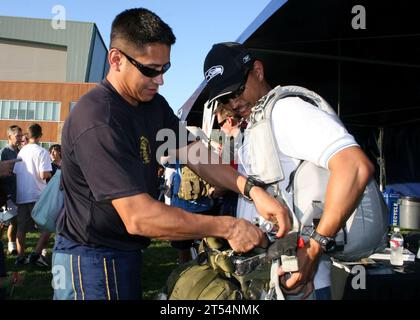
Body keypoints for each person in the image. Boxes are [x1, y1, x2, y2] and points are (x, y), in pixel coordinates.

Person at [53, 8, 287, 300]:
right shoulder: (98, 119)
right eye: (150, 69)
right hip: (89, 257)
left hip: (124, 251)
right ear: (116, 60)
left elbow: (196, 154)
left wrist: (250, 189)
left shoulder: (152, 105)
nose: (160, 80)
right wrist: (228, 227)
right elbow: (138, 217)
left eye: (165, 69)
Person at [203, 42, 374, 299]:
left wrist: (315, 247)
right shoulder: (254, 124)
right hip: (272, 278)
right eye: (225, 98)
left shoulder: (286, 111)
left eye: (237, 89)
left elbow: (355, 165)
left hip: (300, 280)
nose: (233, 102)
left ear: (258, 71)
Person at [13, 123, 52, 267]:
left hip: (22, 194)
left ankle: (20, 257)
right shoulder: (42, 152)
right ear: (40, 135)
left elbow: (16, 172)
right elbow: (43, 175)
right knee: (46, 228)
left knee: (21, 228)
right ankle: (36, 254)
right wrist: (51, 174)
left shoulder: (21, 152)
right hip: (38, 195)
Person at [0, 125, 22, 255]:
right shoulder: (4, 152)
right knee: (2, 222)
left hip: (17, 191)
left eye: (20, 135)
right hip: (5, 193)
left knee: (15, 220)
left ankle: (11, 246)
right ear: (10, 136)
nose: (19, 138)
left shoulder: (20, 151)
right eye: (17, 136)